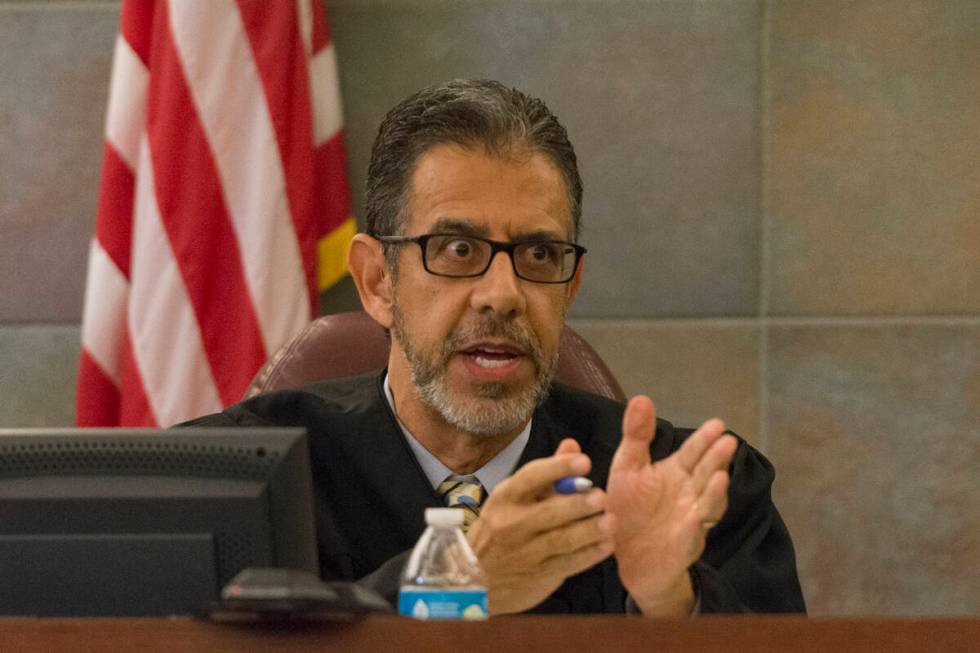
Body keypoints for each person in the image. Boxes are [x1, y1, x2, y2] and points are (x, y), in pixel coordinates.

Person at [186, 79, 805, 615]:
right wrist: (454, 585)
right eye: (458, 250)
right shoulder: (222, 488)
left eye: (539, 255)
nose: (503, 294)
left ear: (570, 287)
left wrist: (670, 602)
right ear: (378, 282)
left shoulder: (694, 497)